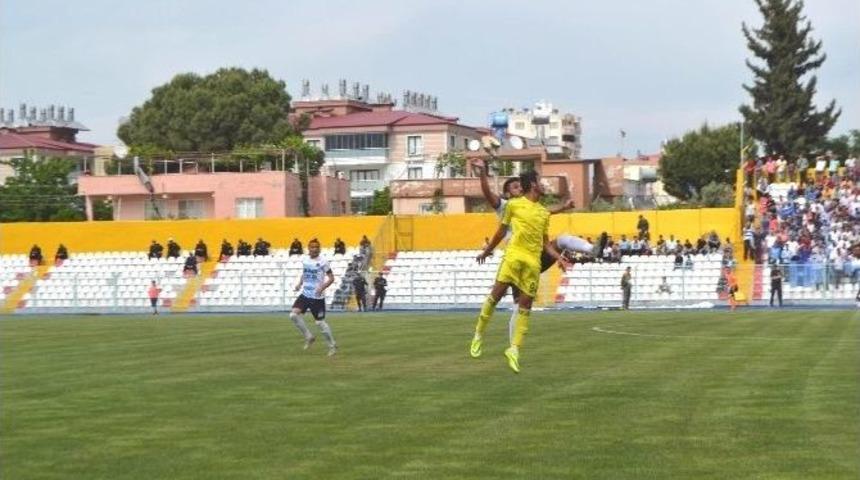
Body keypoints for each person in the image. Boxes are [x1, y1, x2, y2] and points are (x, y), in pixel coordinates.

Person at [471, 170, 570, 373]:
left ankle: (514, 350)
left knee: (525, 307)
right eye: (540, 181)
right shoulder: (513, 205)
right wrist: (487, 251)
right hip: (513, 258)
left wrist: (559, 257)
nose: (543, 185)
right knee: (495, 297)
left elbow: (545, 244)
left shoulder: (543, 213)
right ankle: (478, 334)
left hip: (532, 264)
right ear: (533, 184)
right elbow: (500, 232)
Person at [289, 238, 337, 356]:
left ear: (319, 249)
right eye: (312, 247)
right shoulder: (305, 260)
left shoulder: (323, 262)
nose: (314, 249)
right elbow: (305, 273)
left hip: (317, 297)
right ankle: (309, 337)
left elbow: (331, 278)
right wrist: (299, 284)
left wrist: (322, 288)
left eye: (317, 247)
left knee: (319, 323)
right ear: (309, 248)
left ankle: (332, 345)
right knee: (293, 315)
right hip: (305, 294)